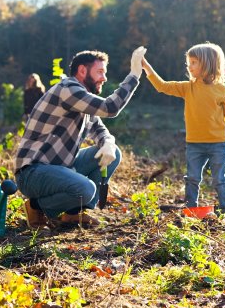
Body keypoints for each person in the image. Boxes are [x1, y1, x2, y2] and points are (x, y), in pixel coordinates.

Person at [16, 47, 147, 228]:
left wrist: (108, 142)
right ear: (82, 71)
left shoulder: (83, 100)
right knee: (86, 189)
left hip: (60, 169)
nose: (104, 78)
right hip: (33, 173)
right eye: (100, 72)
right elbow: (110, 108)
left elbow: (100, 130)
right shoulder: (68, 90)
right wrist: (134, 75)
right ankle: (35, 206)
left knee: (114, 152)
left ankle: (72, 214)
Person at [141, 42, 225, 214]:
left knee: (219, 179)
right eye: (189, 62)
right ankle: (191, 209)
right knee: (193, 178)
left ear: (207, 63)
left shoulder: (222, 89)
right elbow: (162, 86)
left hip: (218, 143)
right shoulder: (188, 87)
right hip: (194, 144)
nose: (189, 65)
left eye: (194, 62)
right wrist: (147, 67)